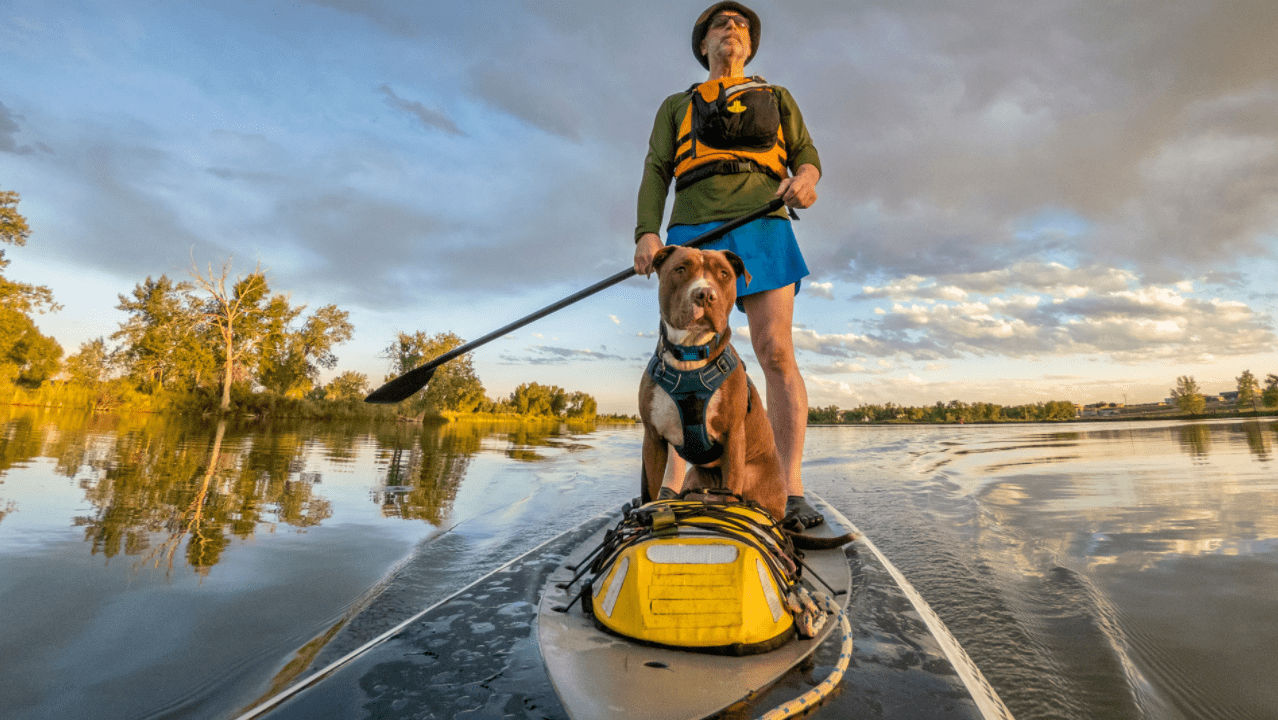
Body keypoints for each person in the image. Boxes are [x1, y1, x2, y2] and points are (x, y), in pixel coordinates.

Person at [633, 1, 824, 528]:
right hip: (694, 230)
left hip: (764, 225)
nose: (732, 29)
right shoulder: (677, 104)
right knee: (680, 357)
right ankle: (668, 490)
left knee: (775, 351)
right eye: (721, 23)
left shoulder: (778, 97)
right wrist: (648, 232)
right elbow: (656, 169)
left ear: (750, 44)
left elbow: (807, 156)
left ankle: (791, 488)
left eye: (741, 25)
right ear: (703, 44)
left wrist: (805, 180)